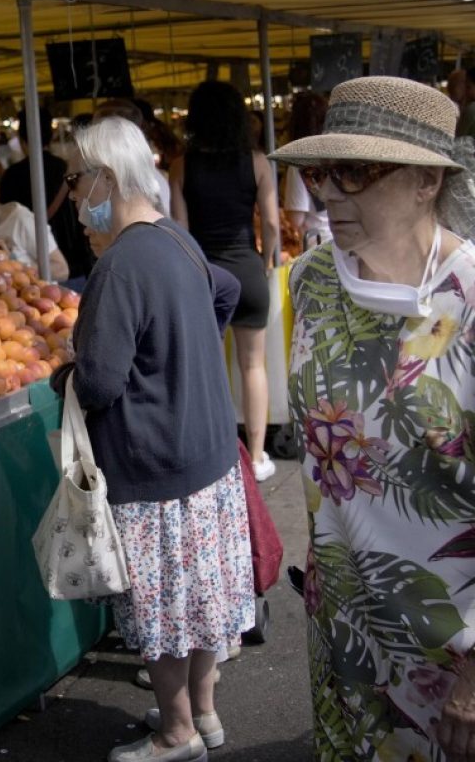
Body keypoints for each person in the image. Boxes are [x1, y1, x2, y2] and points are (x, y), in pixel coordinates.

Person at [271, 75, 475, 762]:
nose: (327, 191)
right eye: (322, 171)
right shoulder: (310, 282)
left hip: (451, 660)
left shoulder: (470, 301)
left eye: (355, 171)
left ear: (426, 184)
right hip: (343, 637)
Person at [54, 116, 254, 762]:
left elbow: (102, 380)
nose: (74, 193)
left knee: (162, 616)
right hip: (208, 456)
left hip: (153, 467)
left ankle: (176, 733)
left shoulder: (120, 265)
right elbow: (224, 292)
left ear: (105, 178)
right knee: (197, 602)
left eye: (75, 178)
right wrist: (182, 351)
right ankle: (204, 711)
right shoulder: (175, 238)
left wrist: (68, 373)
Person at [169, 80, 280, 482]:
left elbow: (179, 227)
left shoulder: (182, 166)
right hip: (248, 268)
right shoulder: (257, 162)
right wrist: (265, 261)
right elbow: (269, 222)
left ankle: (218, 452)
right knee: (253, 365)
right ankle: (257, 455)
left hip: (205, 274)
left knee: (208, 366)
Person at [0, 105, 95, 285]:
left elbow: (4, 218)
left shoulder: (11, 176)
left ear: (21, 140)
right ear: (50, 136)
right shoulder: (68, 169)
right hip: (73, 262)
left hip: (31, 272)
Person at [281, 90, 331, 246]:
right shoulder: (338, 157)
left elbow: (296, 219)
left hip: (318, 245)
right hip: (344, 243)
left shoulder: (300, 163)